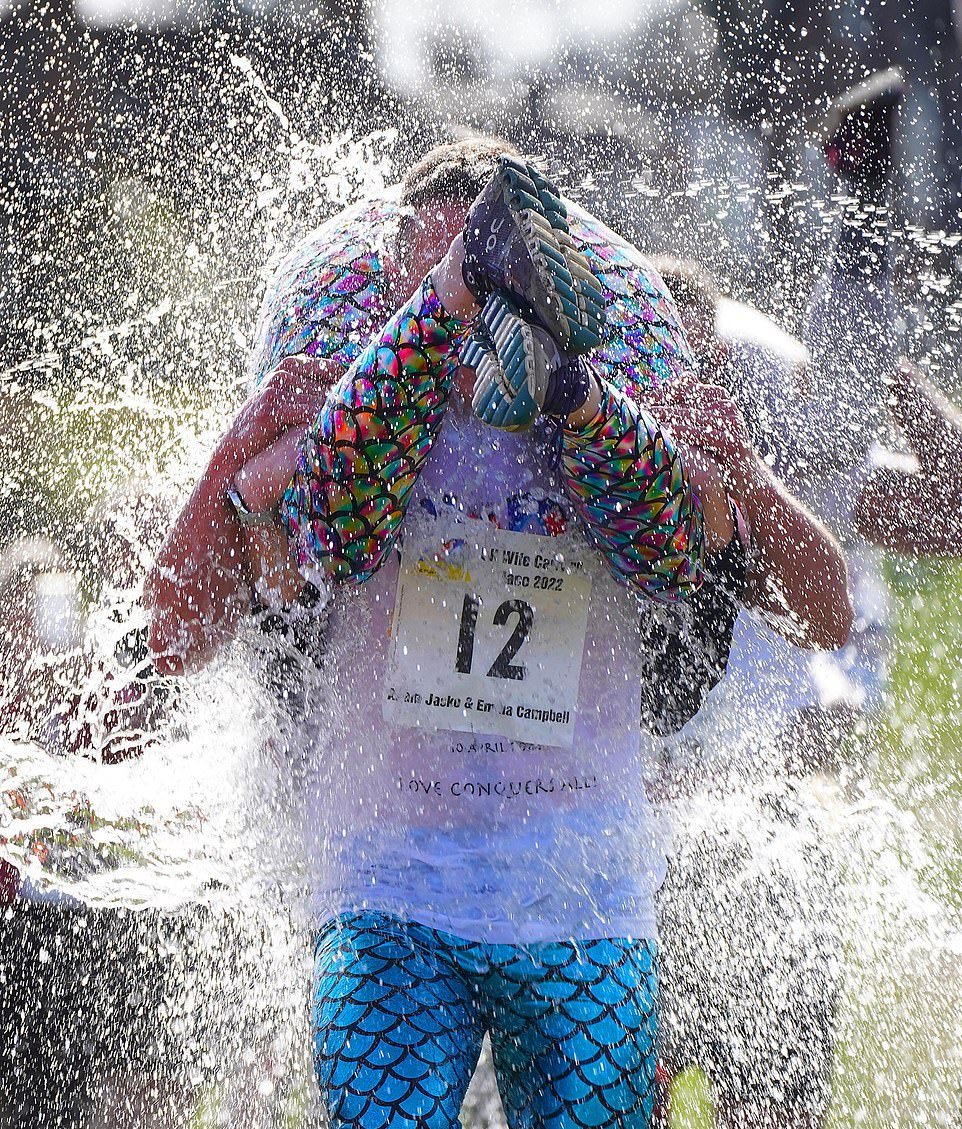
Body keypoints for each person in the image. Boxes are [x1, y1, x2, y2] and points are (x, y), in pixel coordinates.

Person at [148, 139, 851, 1129]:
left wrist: (744, 473)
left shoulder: (629, 418)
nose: (466, 310)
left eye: (486, 279)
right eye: (439, 290)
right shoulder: (343, 421)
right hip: (389, 888)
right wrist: (246, 438)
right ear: (395, 286)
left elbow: (812, 605)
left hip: (580, 899)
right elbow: (182, 626)